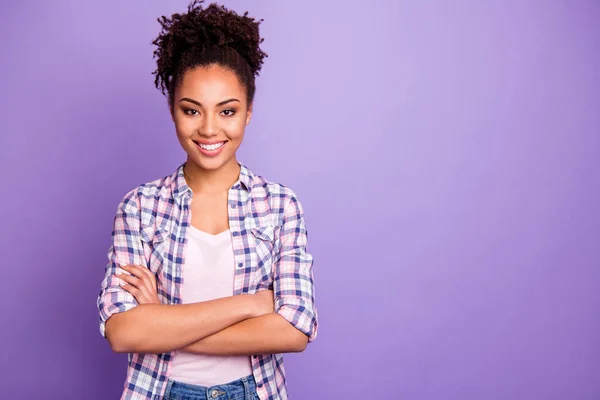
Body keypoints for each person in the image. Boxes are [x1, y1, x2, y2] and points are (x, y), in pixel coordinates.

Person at [95, 1, 318, 399]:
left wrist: (161, 324)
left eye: (227, 111)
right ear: (172, 110)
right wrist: (250, 304)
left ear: (248, 111)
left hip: (254, 391)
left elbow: (295, 330)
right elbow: (124, 332)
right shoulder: (140, 207)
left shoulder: (281, 205)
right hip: (161, 390)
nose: (210, 129)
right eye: (192, 110)